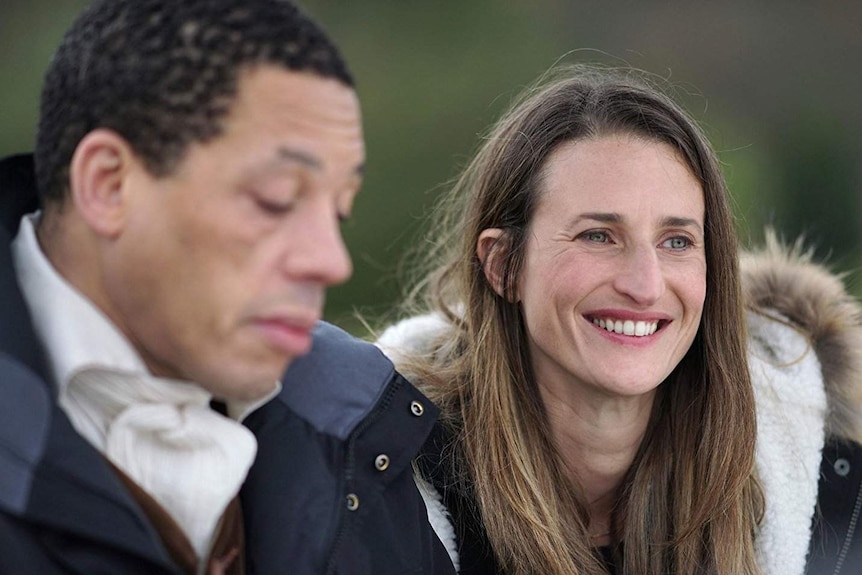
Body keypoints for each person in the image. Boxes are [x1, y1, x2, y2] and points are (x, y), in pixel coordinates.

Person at [0, 1, 455, 573]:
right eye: (276, 200)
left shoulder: (364, 436)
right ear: (109, 184)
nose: (330, 261)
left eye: (337, 213)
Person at [377, 65, 862, 575]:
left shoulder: (833, 500)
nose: (645, 285)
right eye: (598, 236)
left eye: (677, 241)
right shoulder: (381, 488)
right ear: (504, 266)